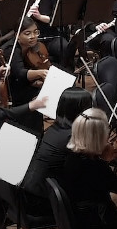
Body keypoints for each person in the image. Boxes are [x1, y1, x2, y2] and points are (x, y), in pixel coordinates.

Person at [22, 87, 95, 216]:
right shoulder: (72, 137)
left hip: (30, 195)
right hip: (42, 204)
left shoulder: (54, 129)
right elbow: (75, 174)